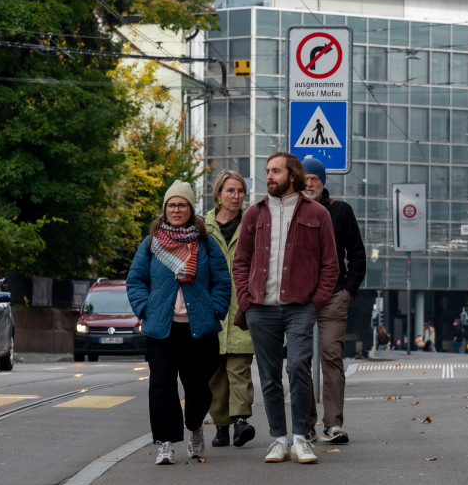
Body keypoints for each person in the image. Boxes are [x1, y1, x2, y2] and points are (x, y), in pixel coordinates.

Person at [232, 152, 338, 465]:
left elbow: (331, 264)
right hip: (260, 308)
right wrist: (247, 300)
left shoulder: (318, 213)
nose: (269, 176)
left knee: (299, 368)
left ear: (292, 175)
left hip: (300, 307)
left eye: (276, 171)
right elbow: (241, 261)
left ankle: (301, 438)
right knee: (269, 376)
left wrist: (315, 301)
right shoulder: (254, 214)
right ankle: (279, 439)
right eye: (267, 171)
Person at [127, 180, 231, 466]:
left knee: (198, 387)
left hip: (199, 329)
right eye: (171, 205)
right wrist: (145, 308)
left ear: (190, 209)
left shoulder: (205, 243)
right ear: (164, 209)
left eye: (182, 204)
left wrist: (215, 309)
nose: (176, 209)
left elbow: (222, 280)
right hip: (162, 329)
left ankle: (195, 427)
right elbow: (135, 280)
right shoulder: (151, 244)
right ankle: (165, 442)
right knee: (162, 385)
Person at [301, 156, 365, 445]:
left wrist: (348, 289)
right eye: (304, 178)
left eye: (314, 178)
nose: (309, 183)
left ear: (323, 181)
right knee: (299, 361)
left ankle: (333, 425)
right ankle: (305, 425)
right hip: (299, 298)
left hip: (334, 295)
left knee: (331, 357)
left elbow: (358, 254)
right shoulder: (290, 211)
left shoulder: (341, 210)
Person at [205, 170, 257, 448]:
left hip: (243, 307)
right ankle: (221, 426)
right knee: (215, 376)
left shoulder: (252, 224)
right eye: (230, 191)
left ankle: (241, 422)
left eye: (240, 191)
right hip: (211, 309)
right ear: (218, 194)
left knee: (239, 370)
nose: (236, 196)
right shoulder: (202, 227)